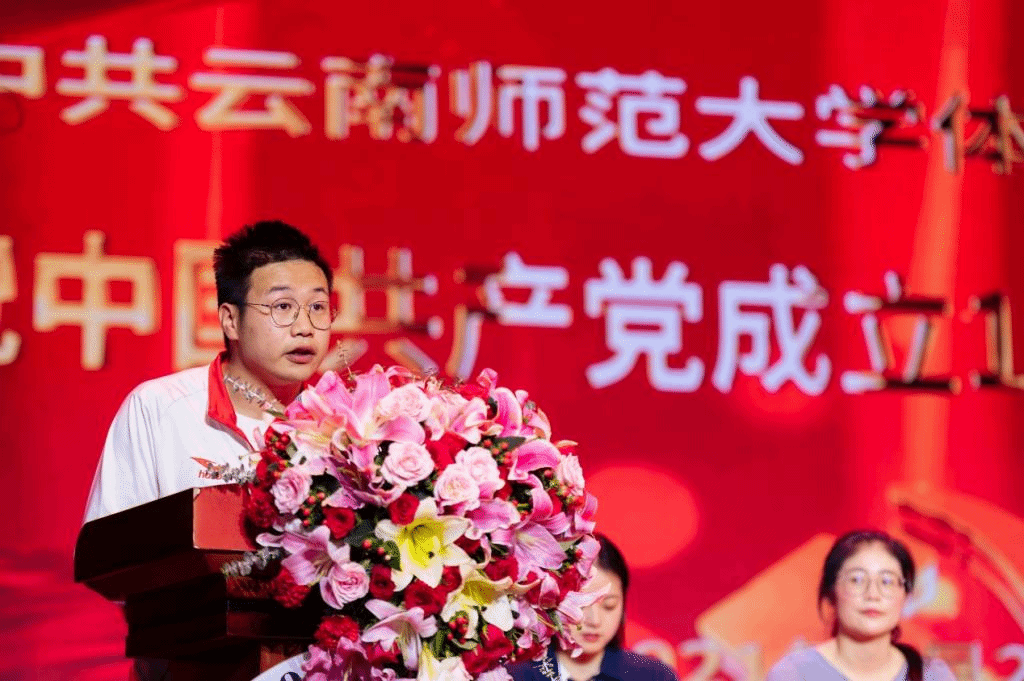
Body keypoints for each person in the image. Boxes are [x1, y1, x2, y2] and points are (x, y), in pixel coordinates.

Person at [84, 219, 333, 521]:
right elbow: (109, 543)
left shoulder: (341, 429)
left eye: (317, 307)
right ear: (230, 320)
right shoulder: (158, 409)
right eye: (282, 306)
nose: (305, 327)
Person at [766, 529, 956, 681]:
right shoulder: (794, 674)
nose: (872, 594)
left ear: (905, 596)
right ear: (831, 591)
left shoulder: (934, 676)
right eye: (857, 580)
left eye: (886, 581)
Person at [507, 534, 679, 681]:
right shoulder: (514, 676)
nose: (594, 621)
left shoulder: (654, 676)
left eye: (609, 606)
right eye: (580, 605)